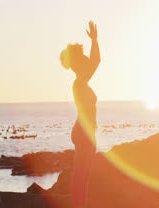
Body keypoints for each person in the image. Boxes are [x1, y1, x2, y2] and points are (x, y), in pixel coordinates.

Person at [60, 20, 100, 208]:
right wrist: (94, 41)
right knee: (79, 177)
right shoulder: (80, 83)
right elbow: (95, 62)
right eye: (82, 57)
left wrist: (94, 40)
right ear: (76, 64)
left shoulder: (82, 82)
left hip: (86, 131)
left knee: (83, 177)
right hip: (84, 132)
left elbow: (95, 62)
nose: (86, 60)